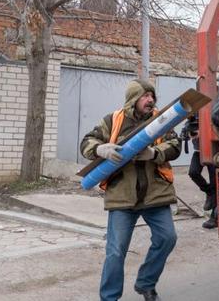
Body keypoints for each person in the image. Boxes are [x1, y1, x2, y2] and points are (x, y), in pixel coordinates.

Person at [80, 79, 181, 301]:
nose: (151, 100)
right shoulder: (113, 120)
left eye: (152, 96)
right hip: (122, 196)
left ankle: (146, 283)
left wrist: (154, 153)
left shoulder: (161, 120)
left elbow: (175, 145)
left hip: (155, 194)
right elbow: (86, 142)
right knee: (116, 252)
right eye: (145, 96)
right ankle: (109, 297)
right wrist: (100, 149)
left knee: (168, 238)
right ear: (133, 99)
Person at [181, 115, 218, 228]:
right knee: (193, 172)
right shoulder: (190, 123)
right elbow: (183, 137)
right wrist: (188, 134)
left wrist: (205, 132)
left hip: (214, 151)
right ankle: (209, 192)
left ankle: (214, 217)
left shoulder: (211, 118)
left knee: (215, 183)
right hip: (199, 152)